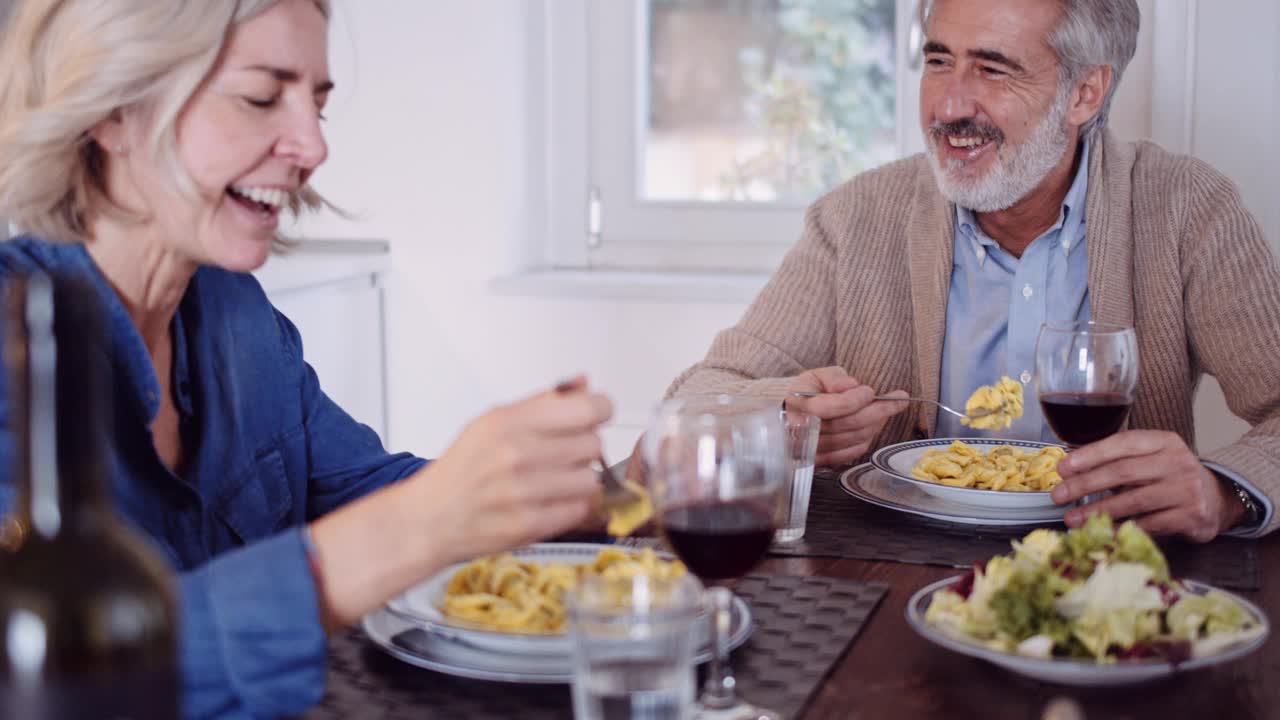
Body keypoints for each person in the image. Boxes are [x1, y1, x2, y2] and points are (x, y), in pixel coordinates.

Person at [0, 1, 612, 717]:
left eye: (317, 103)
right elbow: (55, 684)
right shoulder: (18, 350)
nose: (314, 145)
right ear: (114, 112)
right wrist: (422, 522)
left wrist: (609, 494)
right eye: (261, 96)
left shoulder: (235, 313)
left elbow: (370, 488)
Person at [658, 0, 1280, 542]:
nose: (949, 104)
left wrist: (1226, 493)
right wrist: (783, 418)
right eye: (937, 61)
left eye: (991, 68)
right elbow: (696, 399)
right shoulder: (853, 219)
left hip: (1116, 577)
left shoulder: (1189, 209)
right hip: (890, 573)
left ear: (1085, 93)